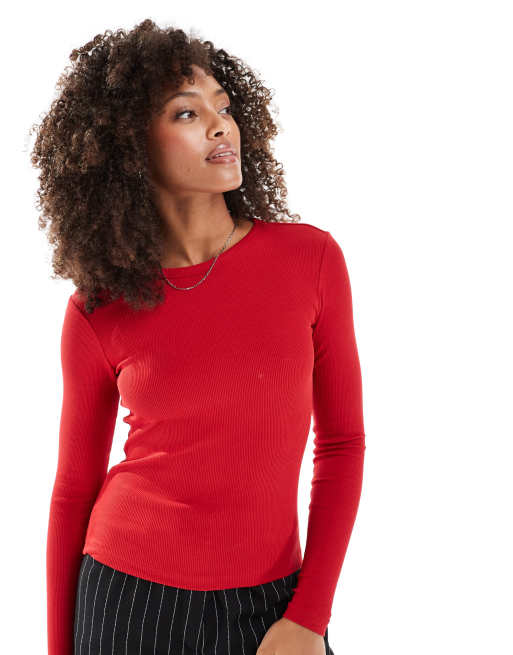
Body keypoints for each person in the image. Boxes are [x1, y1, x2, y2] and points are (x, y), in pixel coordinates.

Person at [31, 18, 366, 655]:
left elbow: (342, 444)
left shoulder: (310, 260)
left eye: (224, 107)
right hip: (128, 602)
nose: (220, 126)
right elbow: (73, 491)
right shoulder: (99, 309)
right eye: (187, 112)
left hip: (274, 602)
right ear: (129, 146)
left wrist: (310, 617)